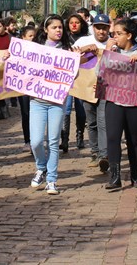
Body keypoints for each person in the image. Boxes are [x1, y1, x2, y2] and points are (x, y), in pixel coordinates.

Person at [103, 18, 137, 190]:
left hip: (136, 103)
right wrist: (107, 53)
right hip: (114, 101)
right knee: (112, 138)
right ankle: (115, 177)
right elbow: (98, 73)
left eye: (119, 33)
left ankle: (135, 175)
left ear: (129, 35)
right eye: (113, 34)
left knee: (133, 140)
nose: (115, 37)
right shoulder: (112, 50)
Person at [28, 15, 72, 195]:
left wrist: (73, 66)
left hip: (57, 103)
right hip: (37, 102)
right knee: (36, 141)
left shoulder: (68, 50)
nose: (58, 30)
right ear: (46, 29)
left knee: (53, 142)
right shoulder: (35, 49)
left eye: (60, 27)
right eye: (54, 27)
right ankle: (41, 167)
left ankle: (52, 180)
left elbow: (72, 75)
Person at [73, 13, 112, 172]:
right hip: (86, 88)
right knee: (92, 121)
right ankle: (95, 153)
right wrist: (86, 49)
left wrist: (108, 50)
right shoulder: (83, 40)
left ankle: (104, 155)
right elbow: (70, 56)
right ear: (93, 28)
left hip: (107, 88)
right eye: (98, 28)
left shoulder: (113, 42)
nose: (101, 31)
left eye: (104, 28)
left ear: (109, 28)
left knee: (103, 121)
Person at [61, 13, 89, 152]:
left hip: (81, 77)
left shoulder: (87, 39)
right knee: (66, 108)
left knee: (80, 109)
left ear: (81, 24)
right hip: (66, 78)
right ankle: (64, 139)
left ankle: (80, 136)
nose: (74, 25)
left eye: (77, 22)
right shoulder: (63, 38)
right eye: (71, 22)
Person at [18, 25, 37, 149]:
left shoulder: (41, 50)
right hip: (23, 87)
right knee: (26, 113)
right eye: (30, 36)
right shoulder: (17, 51)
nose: (32, 39)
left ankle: (37, 138)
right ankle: (27, 140)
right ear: (23, 37)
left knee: (37, 113)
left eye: (34, 36)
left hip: (37, 87)